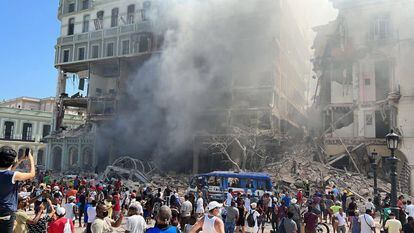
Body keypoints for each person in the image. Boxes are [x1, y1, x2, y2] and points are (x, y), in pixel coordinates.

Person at [0, 146, 35, 233]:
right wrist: (31, 158)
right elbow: (32, 174)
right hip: (7, 212)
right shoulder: (13, 175)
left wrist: (20, 160)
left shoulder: (9, 174)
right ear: (12, 161)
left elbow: (7, 171)